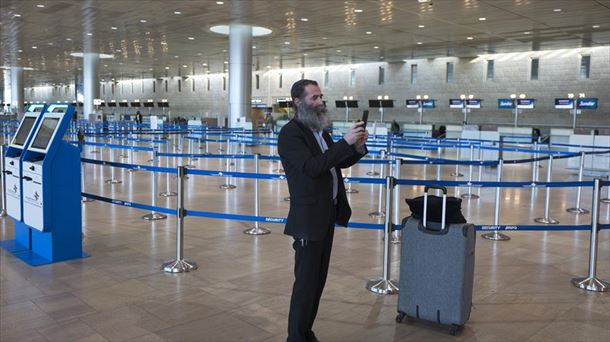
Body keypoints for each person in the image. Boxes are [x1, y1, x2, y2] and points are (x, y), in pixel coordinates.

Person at [278, 79, 368, 342]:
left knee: (317, 283)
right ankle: (296, 337)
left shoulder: (319, 131)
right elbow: (311, 168)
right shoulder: (291, 134)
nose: (320, 102)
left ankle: (306, 333)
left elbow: (335, 162)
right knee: (305, 285)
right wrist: (344, 141)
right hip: (308, 219)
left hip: (326, 215)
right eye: (313, 98)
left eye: (320, 97)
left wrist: (357, 147)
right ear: (297, 102)